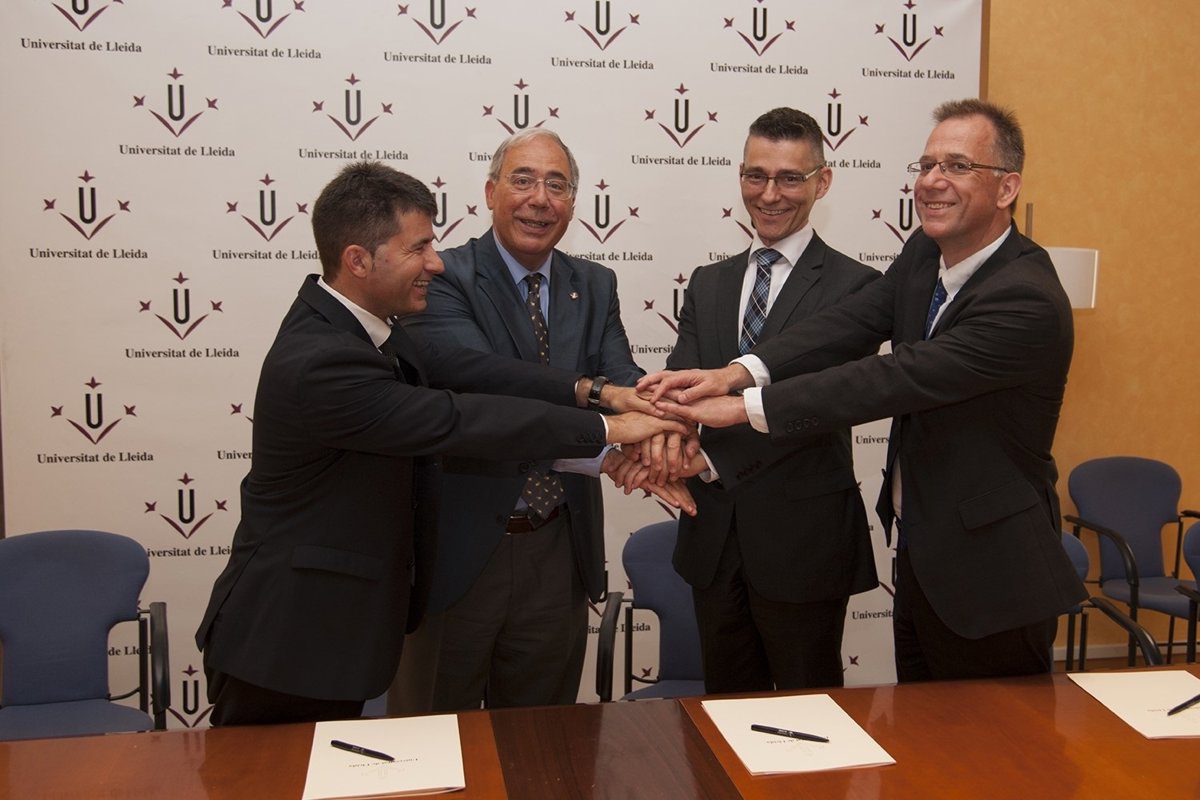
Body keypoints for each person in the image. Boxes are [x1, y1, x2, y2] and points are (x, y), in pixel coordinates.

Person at [194, 161, 684, 726]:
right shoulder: (325, 362)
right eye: (418, 248)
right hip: (290, 641)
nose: (434, 262)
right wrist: (610, 429)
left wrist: (598, 391)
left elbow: (474, 370)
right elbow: (461, 418)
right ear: (358, 260)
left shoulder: (364, 328)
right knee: (274, 771)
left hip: (327, 634)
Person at [641, 98, 1088, 682]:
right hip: (924, 553)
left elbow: (892, 377)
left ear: (1007, 188)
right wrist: (738, 371)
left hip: (991, 573)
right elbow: (849, 324)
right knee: (920, 732)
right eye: (927, 165)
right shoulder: (925, 253)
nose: (932, 181)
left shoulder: (1025, 298)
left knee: (991, 737)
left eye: (957, 166)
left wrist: (744, 406)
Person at [396, 128, 678, 711]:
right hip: (459, 552)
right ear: (490, 192)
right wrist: (607, 441)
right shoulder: (441, 276)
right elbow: (487, 390)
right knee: (435, 738)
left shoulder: (594, 283)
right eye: (522, 180)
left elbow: (621, 379)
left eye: (557, 185)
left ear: (573, 202)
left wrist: (662, 430)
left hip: (557, 546)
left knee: (542, 741)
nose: (539, 199)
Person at [663, 108, 880, 693]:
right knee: (725, 710)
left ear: (822, 182)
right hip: (712, 539)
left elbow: (821, 406)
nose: (769, 194)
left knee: (811, 715)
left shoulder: (858, 289)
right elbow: (683, 387)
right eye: (755, 176)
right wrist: (666, 441)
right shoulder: (708, 282)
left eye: (789, 178)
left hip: (803, 543)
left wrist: (708, 458)